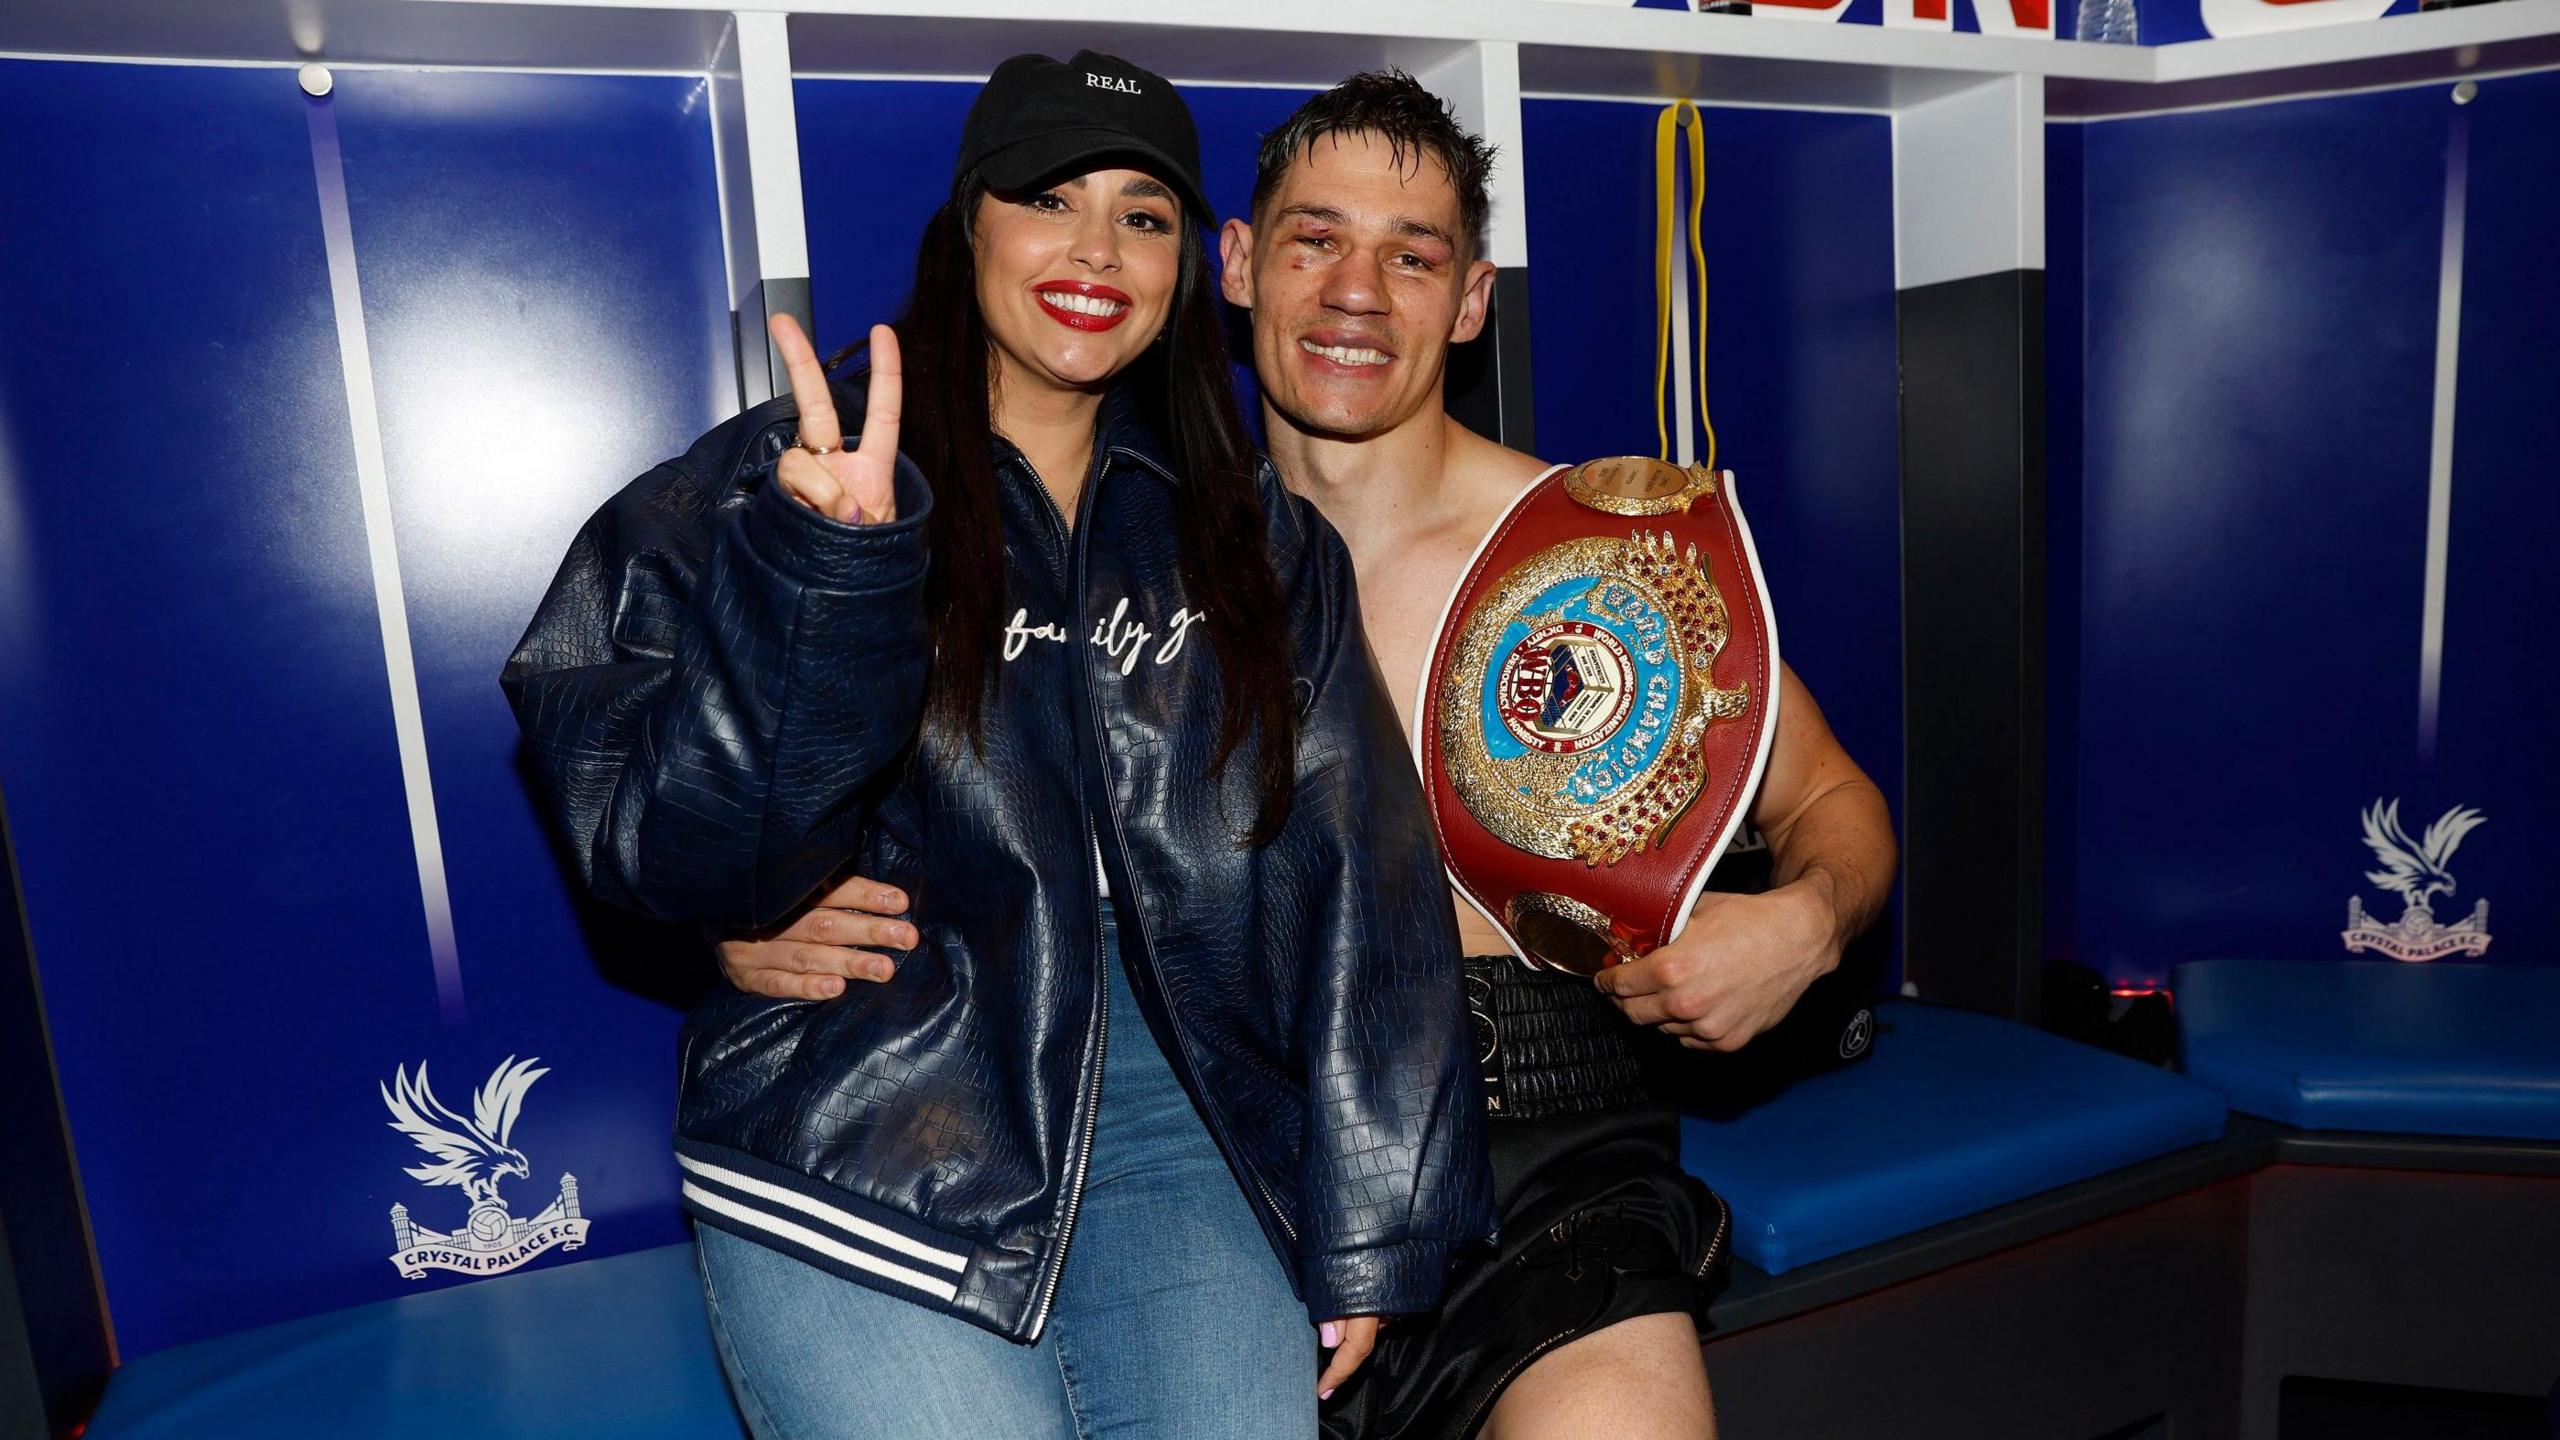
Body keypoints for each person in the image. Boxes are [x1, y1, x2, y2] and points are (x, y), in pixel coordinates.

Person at [721, 71, 1897, 1439]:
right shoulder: (1115, 539)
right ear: (1235, 267)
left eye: (1414, 257)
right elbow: (901, 784)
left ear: (1470, 300)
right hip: (1234, 1140)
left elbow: (1828, 799)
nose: (1358, 293)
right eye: (1315, 240)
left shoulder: (1590, 552)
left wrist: (1806, 925)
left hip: (1542, 1147)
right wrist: (751, 911)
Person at [503, 51, 1495, 1440]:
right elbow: (670, 840)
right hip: (870, 1101)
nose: (1094, 249)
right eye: (1047, 199)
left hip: (1184, 1100)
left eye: (1142, 214)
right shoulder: (787, 477)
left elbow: (1362, 879)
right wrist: (828, 578)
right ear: (969, 223)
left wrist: (1375, 1216)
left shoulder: (1258, 540)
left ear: (1187, 265)